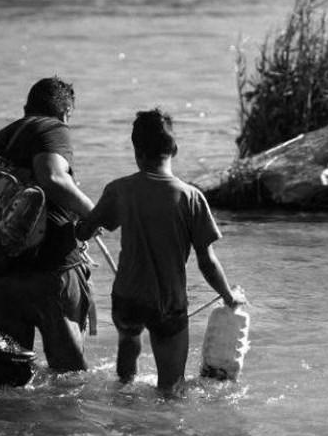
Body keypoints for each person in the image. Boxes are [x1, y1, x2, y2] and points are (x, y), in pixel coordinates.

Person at [75, 108, 241, 396]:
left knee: (129, 341)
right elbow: (207, 261)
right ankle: (160, 431)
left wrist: (85, 224)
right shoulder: (191, 197)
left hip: (126, 299)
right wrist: (228, 295)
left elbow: (84, 231)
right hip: (168, 304)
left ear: (136, 151)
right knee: (171, 387)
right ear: (174, 149)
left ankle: (123, 398)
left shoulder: (119, 190)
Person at [0, 76, 95, 373]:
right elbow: (52, 176)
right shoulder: (53, 127)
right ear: (66, 113)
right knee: (69, 379)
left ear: (26, 107)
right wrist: (93, 213)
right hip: (48, 268)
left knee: (5, 380)